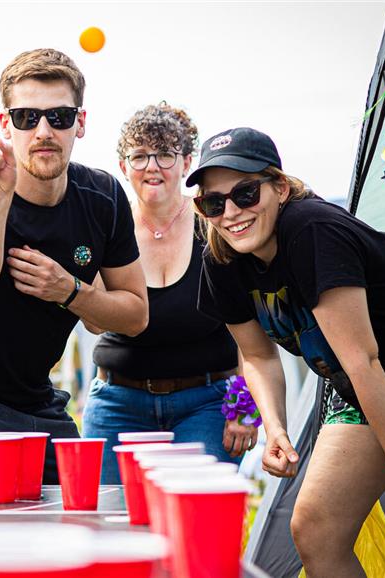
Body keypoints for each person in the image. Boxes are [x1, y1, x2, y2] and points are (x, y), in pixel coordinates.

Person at [192, 127, 385, 577]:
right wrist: (274, 429)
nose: (231, 212)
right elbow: (256, 356)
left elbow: (362, 360)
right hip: (365, 386)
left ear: (279, 186)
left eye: (246, 192)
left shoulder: (314, 230)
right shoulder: (221, 256)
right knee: (316, 529)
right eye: (213, 202)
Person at [0, 48, 149, 485]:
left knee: (78, 516)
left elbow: (135, 314)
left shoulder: (103, 196)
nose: (43, 131)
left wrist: (71, 291)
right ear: (5, 125)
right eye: (26, 117)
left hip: (36, 398)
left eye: (59, 116)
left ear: (80, 121)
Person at [81, 103, 255, 483]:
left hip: (206, 404)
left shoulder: (214, 223)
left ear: (187, 162)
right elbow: (94, 324)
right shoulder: (109, 225)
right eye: (139, 156)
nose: (152, 167)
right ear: (124, 168)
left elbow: (249, 328)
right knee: (110, 527)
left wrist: (244, 406)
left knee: (195, 526)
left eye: (164, 154)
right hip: (117, 403)